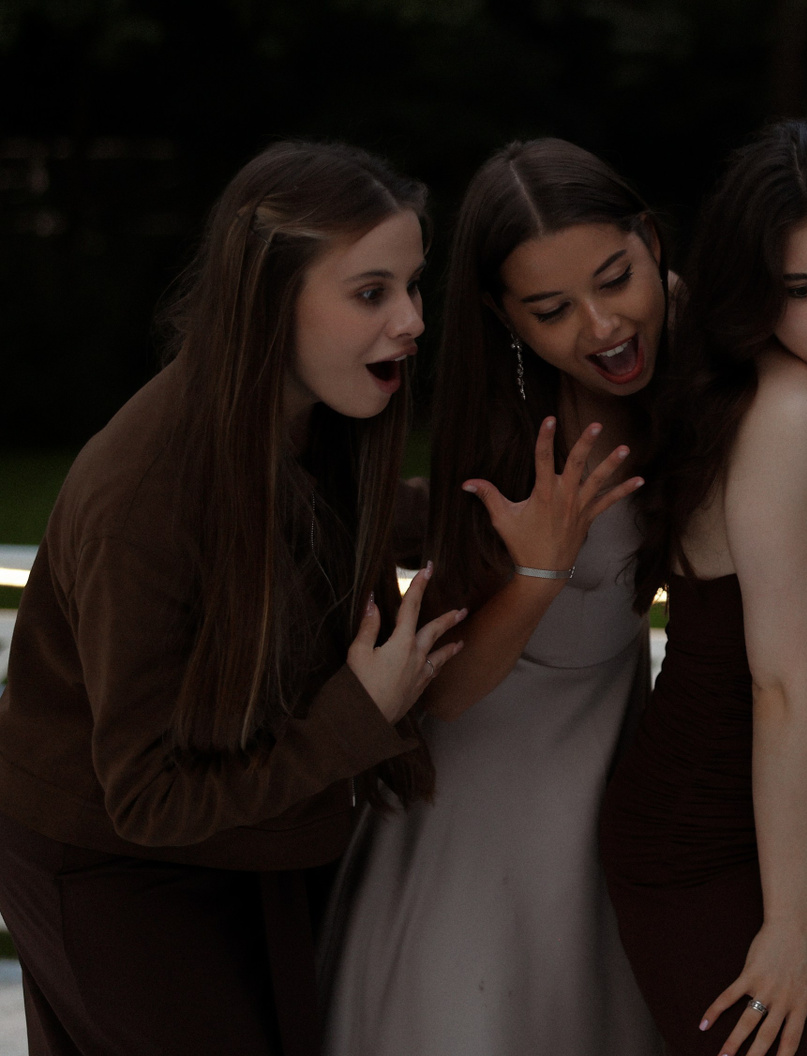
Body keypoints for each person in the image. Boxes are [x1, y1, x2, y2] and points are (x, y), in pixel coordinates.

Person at [0, 142, 462, 1056]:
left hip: (242, 839)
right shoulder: (146, 498)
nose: (412, 320)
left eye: (413, 286)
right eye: (371, 293)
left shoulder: (303, 420)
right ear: (269, 299)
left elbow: (320, 526)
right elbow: (148, 797)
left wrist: (495, 514)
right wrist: (359, 714)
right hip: (111, 864)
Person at [321, 139, 666, 1055]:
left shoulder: (690, 369)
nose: (601, 325)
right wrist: (540, 573)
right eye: (552, 310)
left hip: (604, 792)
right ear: (505, 317)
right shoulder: (512, 437)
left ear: (650, 241)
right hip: (489, 806)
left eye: (615, 279)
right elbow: (446, 692)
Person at [598, 119, 807, 1056]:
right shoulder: (792, 408)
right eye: (800, 289)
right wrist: (787, 924)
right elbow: (778, 686)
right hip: (715, 838)